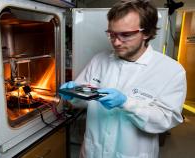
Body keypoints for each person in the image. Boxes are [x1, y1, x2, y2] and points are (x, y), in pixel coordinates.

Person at [60, 0, 187, 158]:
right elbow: (82, 101)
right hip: (93, 151)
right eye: (112, 34)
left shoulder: (170, 70)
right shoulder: (99, 60)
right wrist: (73, 95)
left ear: (146, 32)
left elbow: (166, 120)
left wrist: (127, 103)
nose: (116, 42)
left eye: (125, 35)